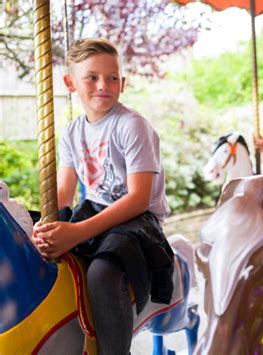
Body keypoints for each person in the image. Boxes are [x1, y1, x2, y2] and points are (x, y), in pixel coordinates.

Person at [31, 38, 174, 355]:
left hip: (137, 219)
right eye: (91, 77)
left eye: (112, 77)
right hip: (95, 209)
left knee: (102, 273)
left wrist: (77, 232)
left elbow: (139, 198)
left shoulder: (131, 126)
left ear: (122, 83)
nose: (103, 85)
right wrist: (43, 227)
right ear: (71, 83)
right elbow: (64, 194)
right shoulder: (71, 132)